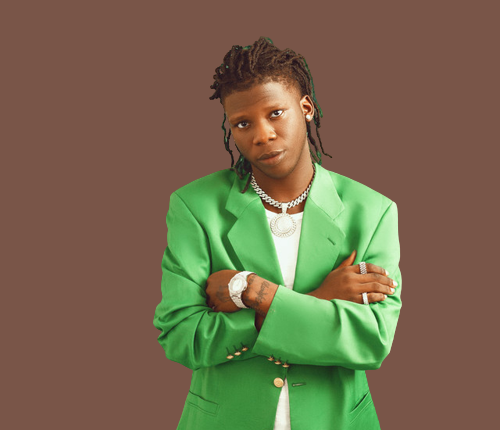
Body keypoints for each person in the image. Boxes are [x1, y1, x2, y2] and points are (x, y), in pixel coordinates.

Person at [153, 37, 402, 430]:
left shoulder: (371, 211)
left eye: (275, 113)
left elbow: (371, 340)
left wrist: (257, 293)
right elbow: (184, 337)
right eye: (243, 123)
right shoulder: (194, 207)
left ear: (306, 108)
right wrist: (320, 299)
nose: (262, 134)